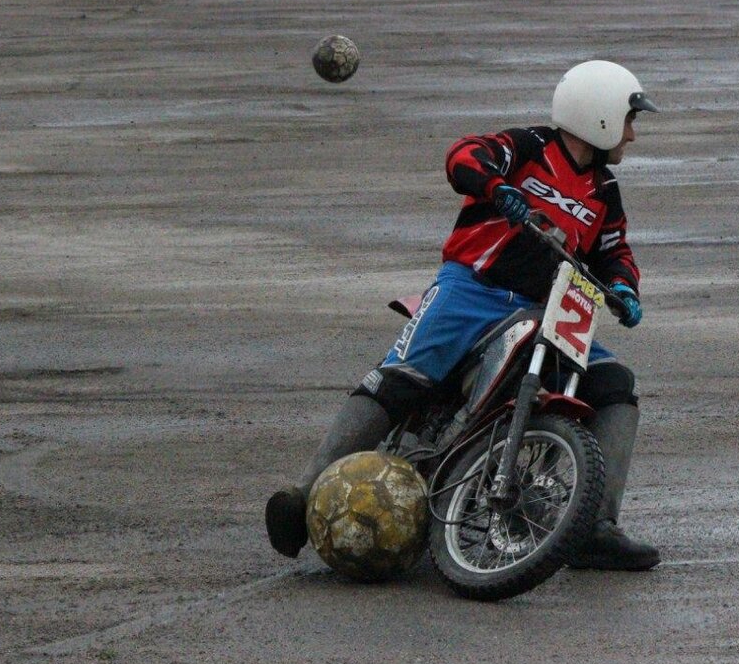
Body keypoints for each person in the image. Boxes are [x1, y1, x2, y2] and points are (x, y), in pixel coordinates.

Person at [265, 59, 660, 571]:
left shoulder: (604, 191)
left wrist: (625, 289)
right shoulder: (526, 147)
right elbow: (463, 156)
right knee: (403, 377)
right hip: (471, 287)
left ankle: (595, 526)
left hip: (550, 308)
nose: (631, 135)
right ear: (601, 117)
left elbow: (614, 251)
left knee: (615, 385)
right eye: (629, 121)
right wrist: (499, 189)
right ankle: (302, 497)